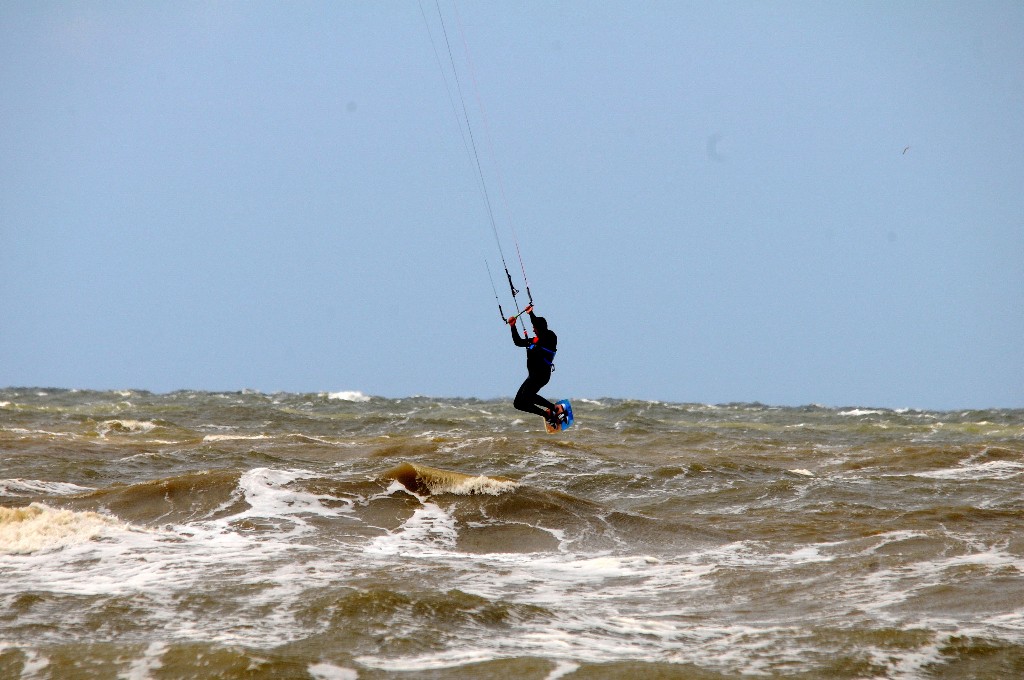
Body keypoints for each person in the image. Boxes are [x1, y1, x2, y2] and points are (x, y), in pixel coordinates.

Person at [509, 305, 564, 429]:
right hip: (533, 376)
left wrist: (531, 314)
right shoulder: (533, 340)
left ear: (539, 327)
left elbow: (541, 329)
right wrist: (513, 326)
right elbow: (518, 342)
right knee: (518, 403)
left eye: (534, 328)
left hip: (542, 374)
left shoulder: (550, 336)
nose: (533, 330)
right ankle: (546, 415)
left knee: (528, 395)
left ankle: (555, 408)